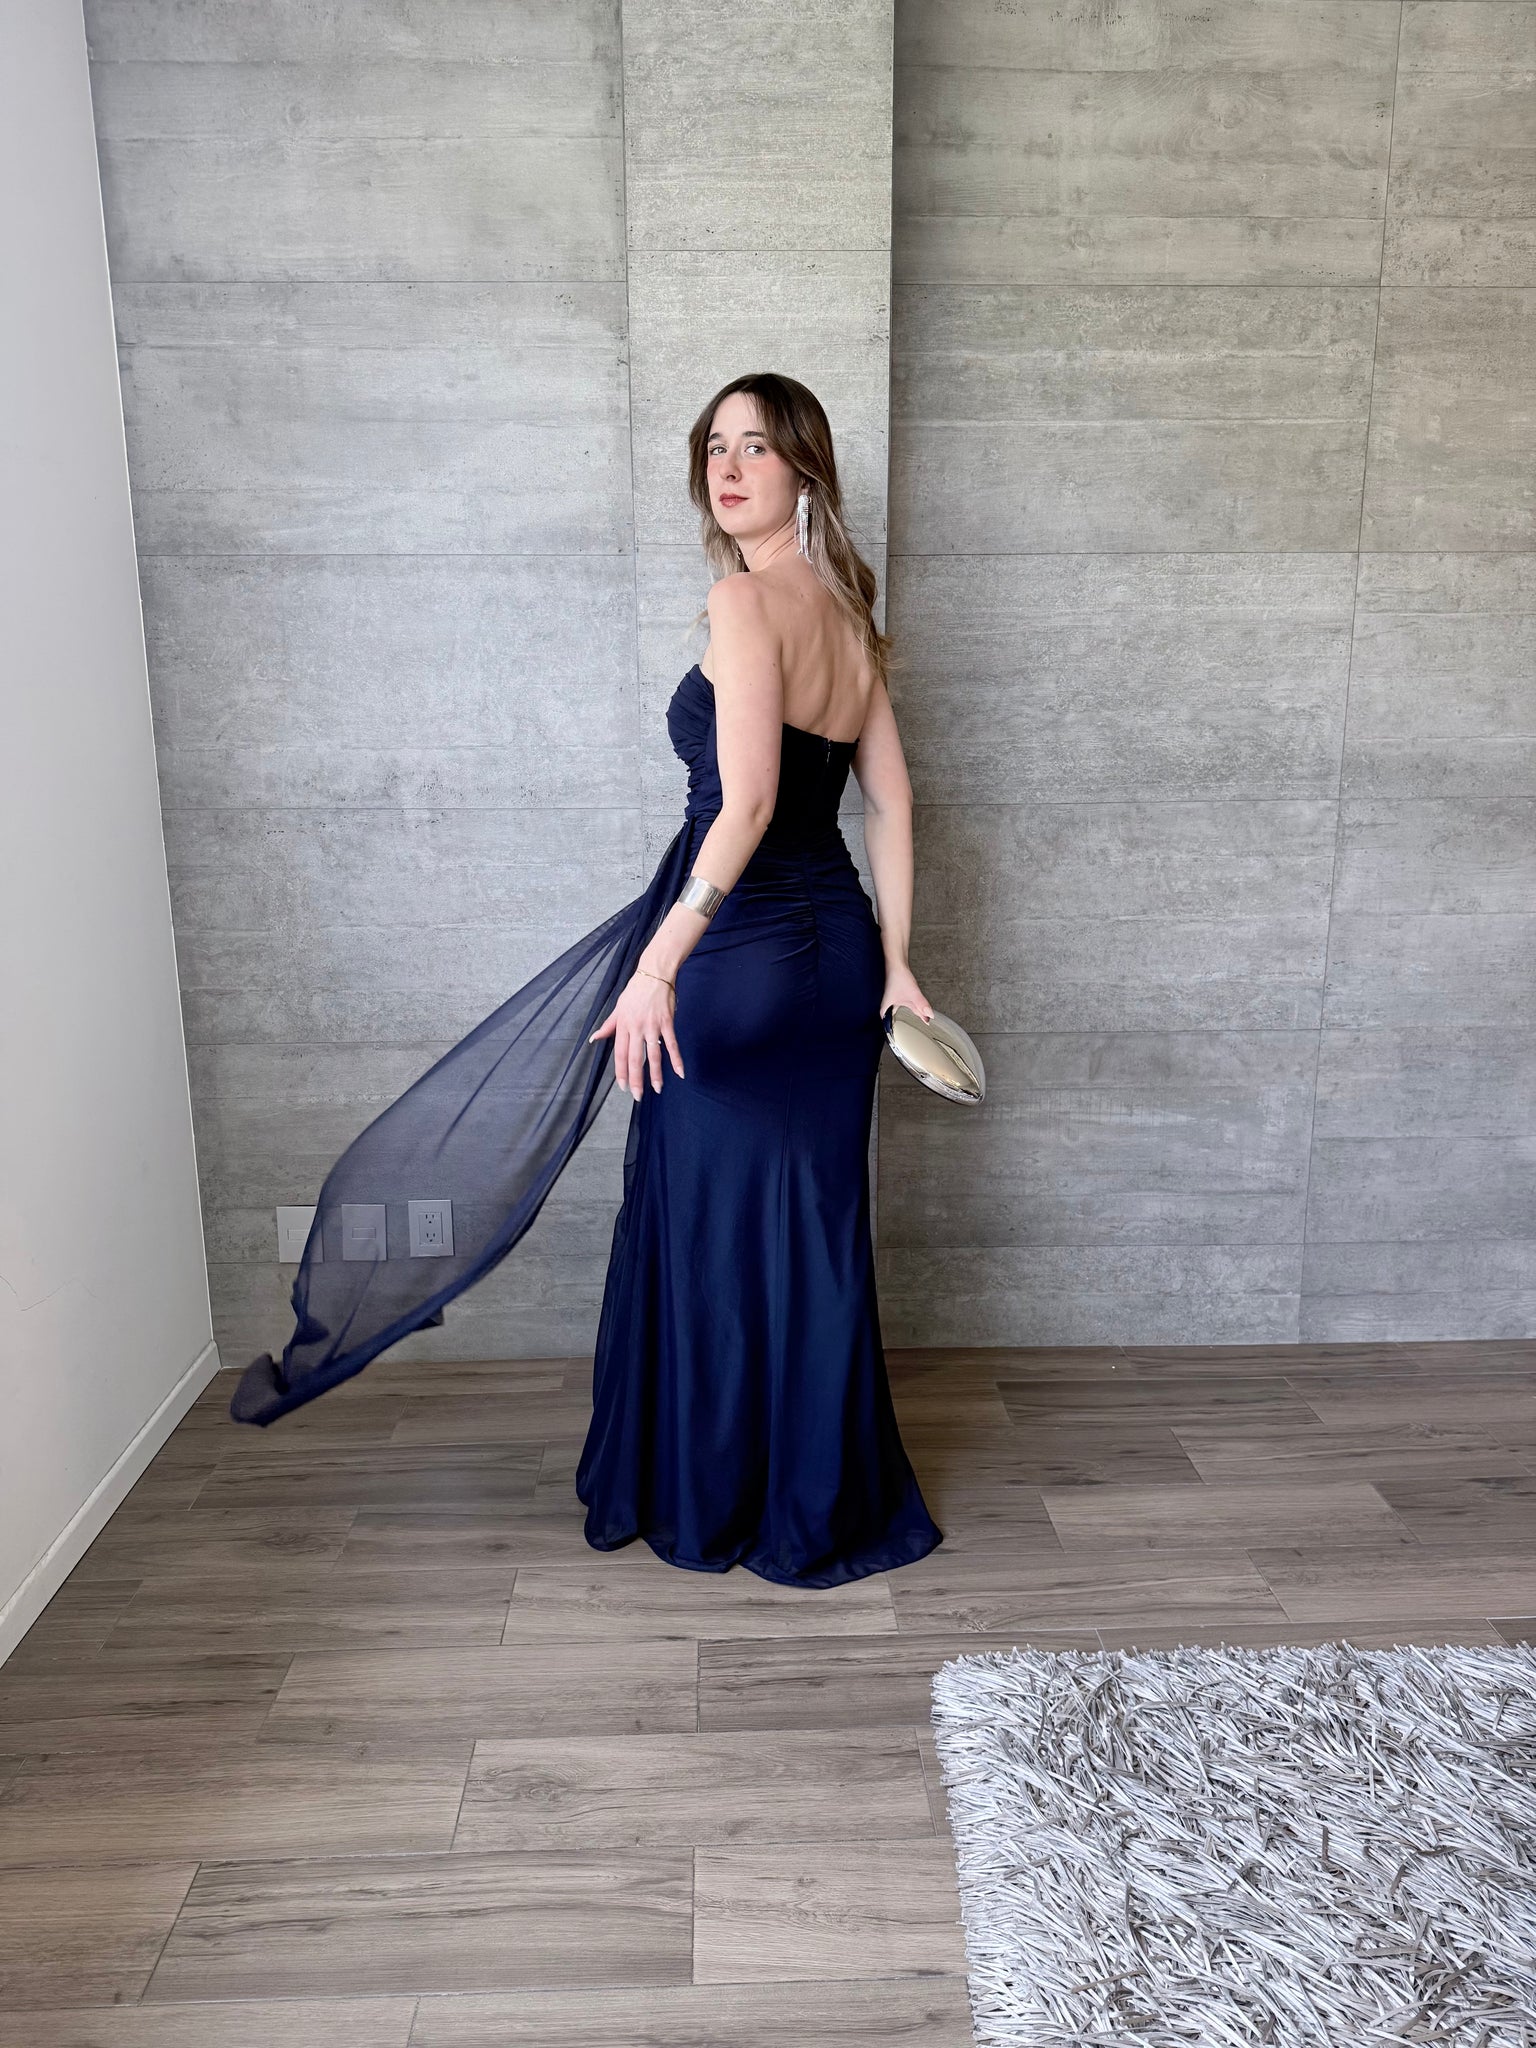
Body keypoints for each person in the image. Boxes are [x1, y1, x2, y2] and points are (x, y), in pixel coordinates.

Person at [229, 370, 942, 1588]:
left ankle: (709, 1498)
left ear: (805, 471)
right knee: (810, 1226)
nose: (729, 468)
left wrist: (660, 962)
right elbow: (889, 802)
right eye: (715, 446)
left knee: (705, 1220)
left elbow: (749, 804)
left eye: (757, 447)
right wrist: (897, 961)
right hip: (836, 967)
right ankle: (818, 1500)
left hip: (735, 958)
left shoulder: (743, 602)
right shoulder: (849, 619)